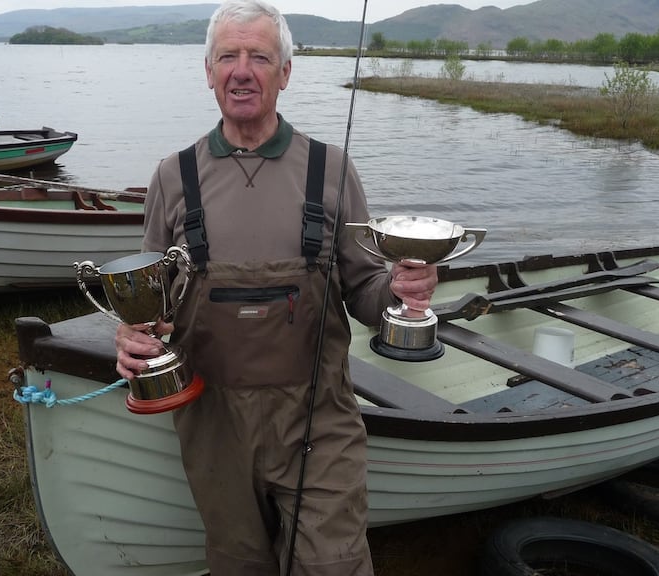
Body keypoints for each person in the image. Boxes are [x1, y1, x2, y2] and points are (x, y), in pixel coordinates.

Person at [114, 1, 439, 574]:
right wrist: (133, 337)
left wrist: (401, 289)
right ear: (208, 71)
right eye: (228, 57)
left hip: (318, 419)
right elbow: (152, 308)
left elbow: (364, 292)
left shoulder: (331, 169)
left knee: (334, 564)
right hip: (212, 422)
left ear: (285, 72)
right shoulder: (172, 176)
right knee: (238, 564)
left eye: (260, 56)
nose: (243, 70)